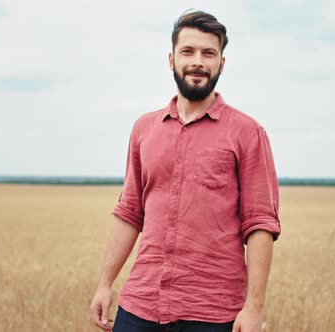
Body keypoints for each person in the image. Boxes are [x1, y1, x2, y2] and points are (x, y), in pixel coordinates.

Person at [90, 10, 281, 332]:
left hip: (213, 314)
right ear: (171, 59)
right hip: (140, 306)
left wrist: (253, 307)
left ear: (221, 62)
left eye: (209, 53)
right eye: (188, 51)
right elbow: (130, 211)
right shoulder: (144, 128)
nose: (198, 61)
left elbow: (260, 223)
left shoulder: (247, 132)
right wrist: (105, 284)